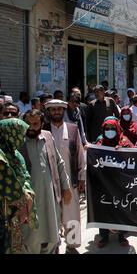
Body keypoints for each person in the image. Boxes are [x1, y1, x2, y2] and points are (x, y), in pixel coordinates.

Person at [21, 110, 72, 254]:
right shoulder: (19, 141)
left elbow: (59, 162)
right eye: (28, 123)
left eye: (35, 124)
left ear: (42, 124)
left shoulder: (48, 137)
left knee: (52, 231)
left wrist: (66, 186)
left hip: (50, 196)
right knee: (32, 236)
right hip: (30, 200)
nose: (31, 127)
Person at [44, 100, 86, 254]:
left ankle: (72, 246)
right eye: (53, 109)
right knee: (52, 215)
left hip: (71, 181)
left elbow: (80, 154)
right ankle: (53, 246)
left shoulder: (73, 129)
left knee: (72, 215)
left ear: (63, 111)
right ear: (49, 112)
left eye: (59, 109)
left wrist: (82, 177)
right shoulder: (43, 130)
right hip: (49, 183)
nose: (56, 112)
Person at [0, 118, 37, 254]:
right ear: (10, 133)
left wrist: (27, 194)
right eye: (20, 134)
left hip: (16, 215)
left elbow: (25, 175)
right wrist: (20, 201)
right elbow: (6, 178)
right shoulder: (1, 156)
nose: (22, 139)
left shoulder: (16, 154)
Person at [96, 118, 132, 248]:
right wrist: (89, 149)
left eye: (112, 129)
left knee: (121, 209)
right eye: (107, 129)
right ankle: (104, 236)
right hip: (104, 182)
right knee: (104, 208)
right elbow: (93, 156)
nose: (109, 131)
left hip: (120, 183)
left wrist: (123, 151)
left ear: (117, 129)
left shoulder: (124, 141)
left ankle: (122, 235)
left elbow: (134, 157)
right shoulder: (100, 142)